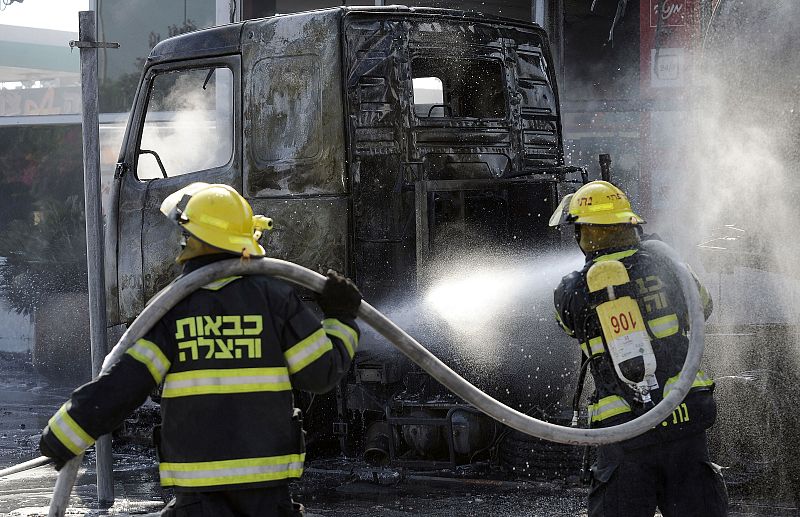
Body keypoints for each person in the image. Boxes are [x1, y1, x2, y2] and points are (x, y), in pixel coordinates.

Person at [39, 183, 362, 517]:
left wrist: (63, 435)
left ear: (190, 239)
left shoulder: (172, 308)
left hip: (198, 498)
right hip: (268, 496)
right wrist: (341, 317)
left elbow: (123, 385)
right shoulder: (275, 299)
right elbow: (321, 372)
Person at [550, 181, 728, 517]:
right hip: (684, 424)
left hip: (624, 433)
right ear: (630, 224)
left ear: (584, 234)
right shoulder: (669, 267)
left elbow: (567, 326)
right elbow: (703, 307)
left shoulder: (571, 290)